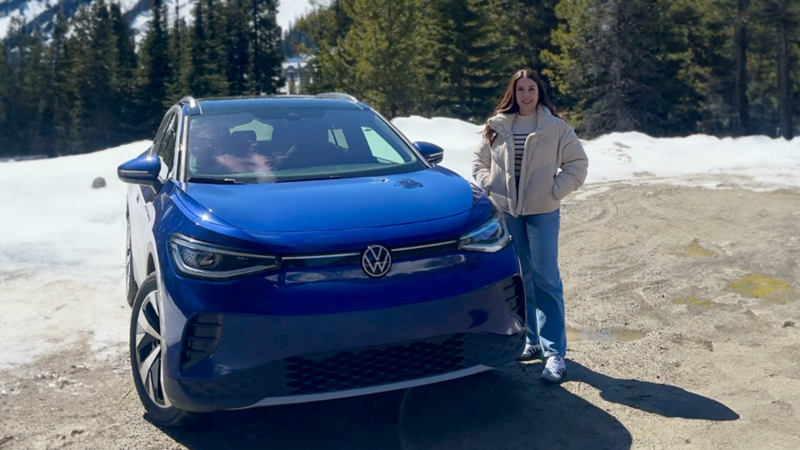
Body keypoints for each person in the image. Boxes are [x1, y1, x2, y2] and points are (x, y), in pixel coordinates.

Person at [472, 68, 588, 383]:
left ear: (539, 92)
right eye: (521, 89)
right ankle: (532, 341)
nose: (526, 95)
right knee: (522, 279)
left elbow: (578, 165)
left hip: (542, 212)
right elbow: (479, 162)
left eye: (531, 89)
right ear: (513, 92)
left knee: (547, 278)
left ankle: (555, 355)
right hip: (509, 212)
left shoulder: (556, 127)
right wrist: (491, 185)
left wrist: (553, 191)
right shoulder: (497, 125)